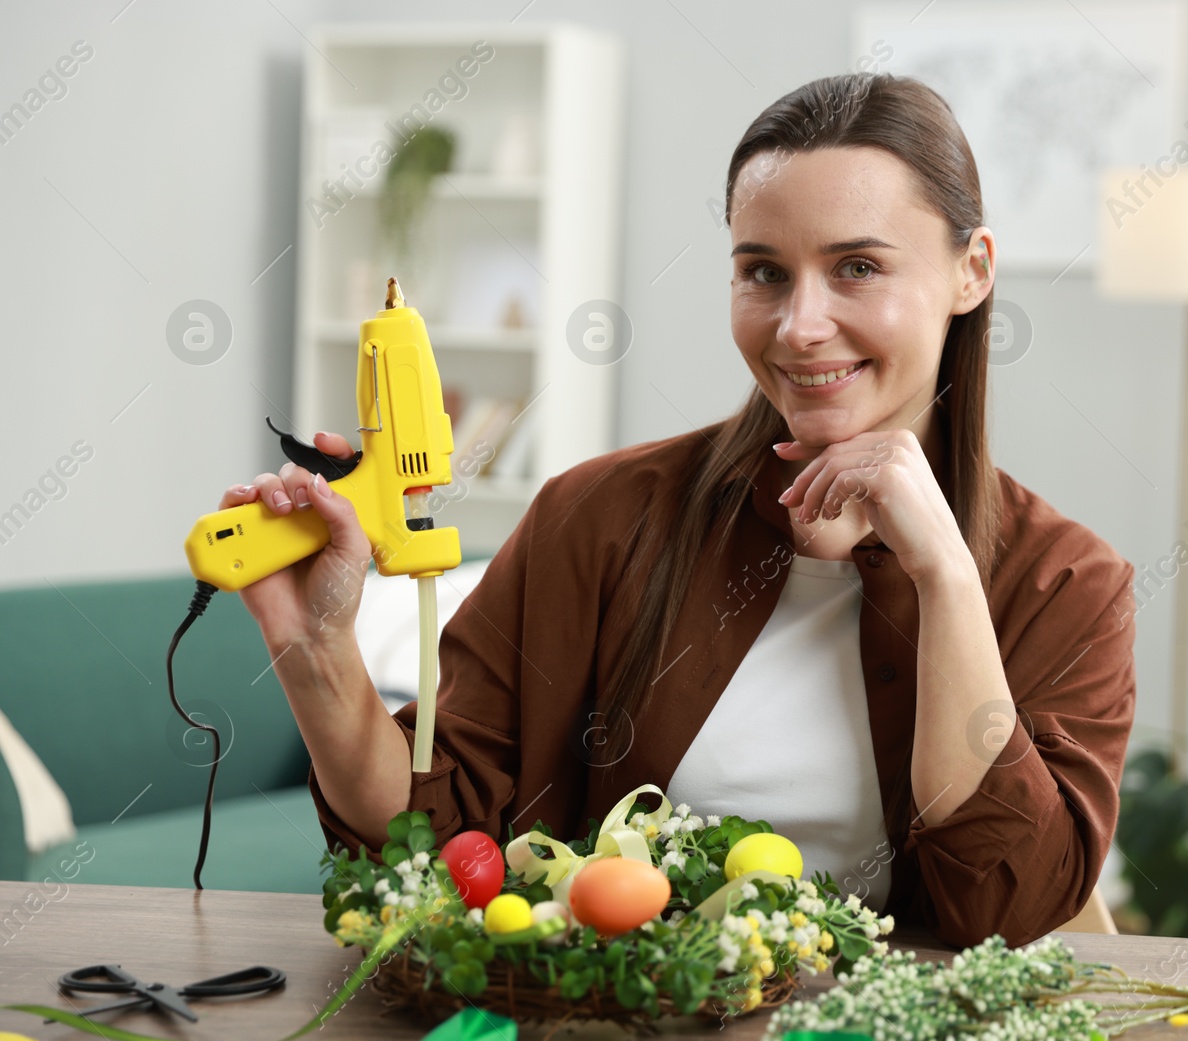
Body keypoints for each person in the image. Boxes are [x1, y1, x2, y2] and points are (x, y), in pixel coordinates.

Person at [219, 73, 1136, 948]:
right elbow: (431, 847)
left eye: (857, 266)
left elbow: (1004, 910)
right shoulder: (598, 518)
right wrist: (318, 649)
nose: (799, 325)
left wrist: (944, 572)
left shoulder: (1068, 585)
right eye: (764, 273)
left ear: (972, 271)